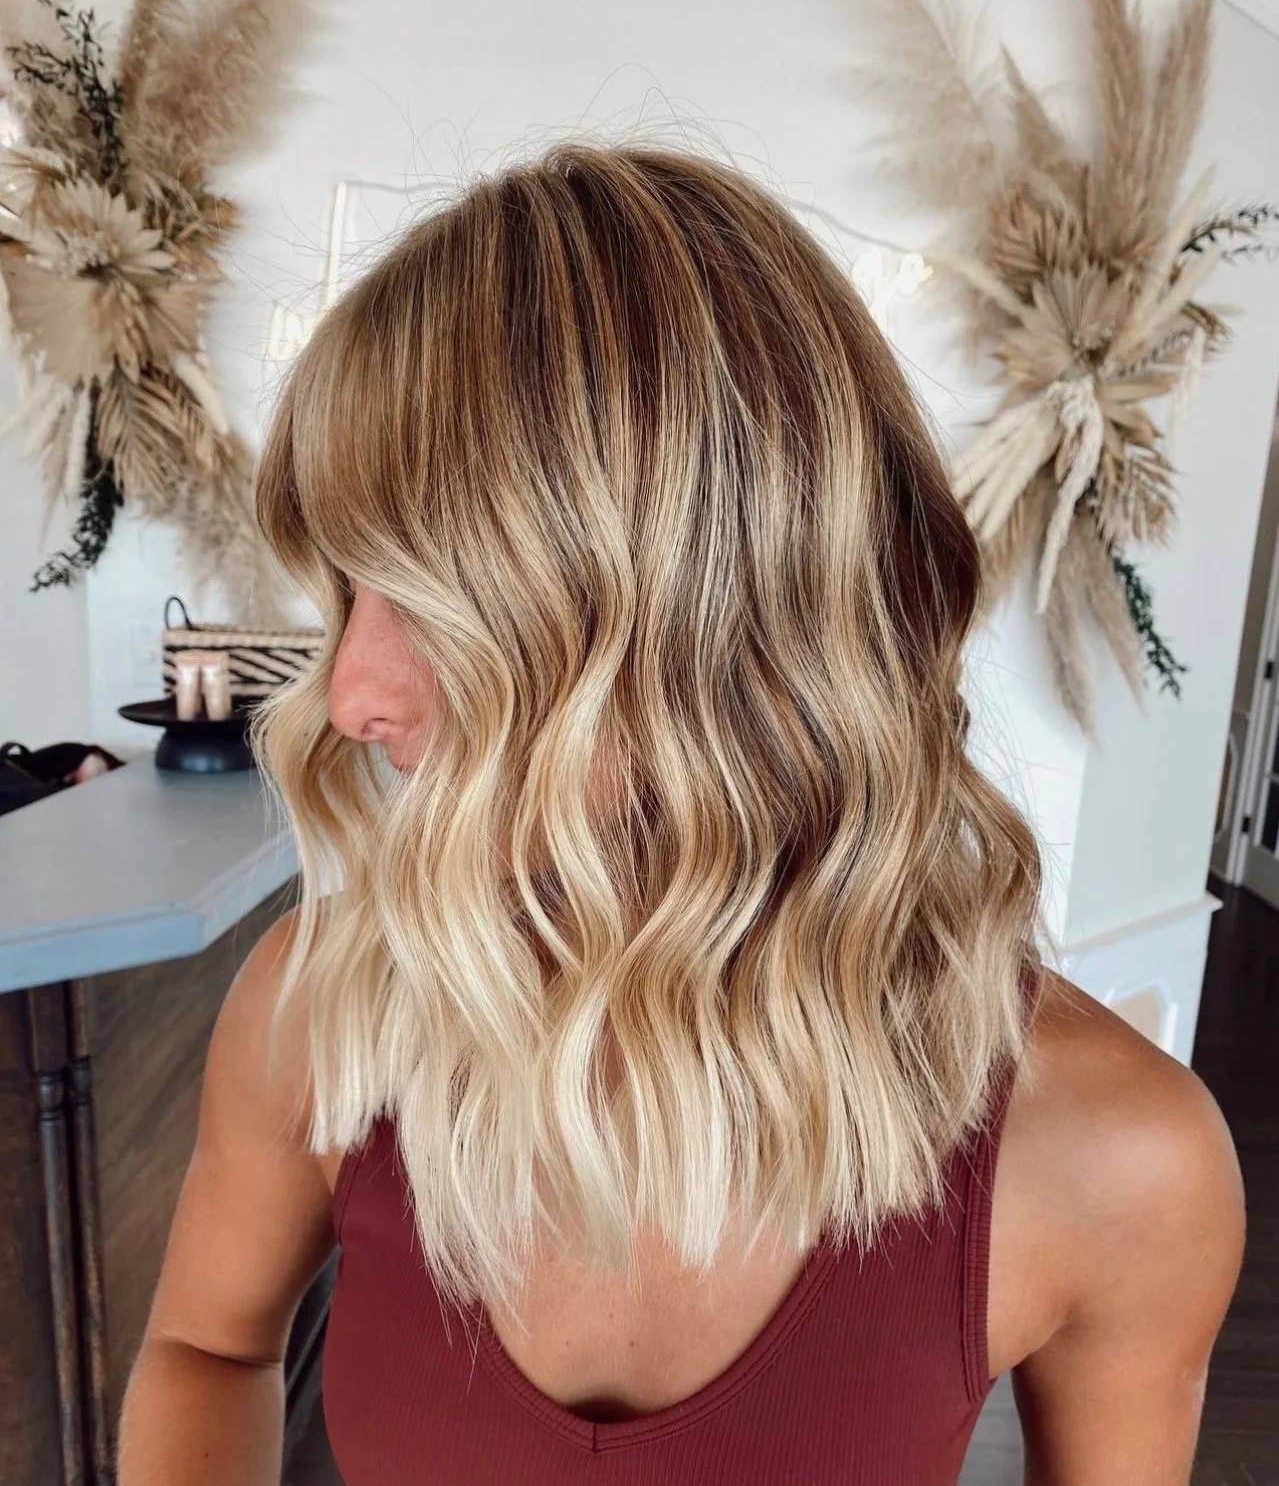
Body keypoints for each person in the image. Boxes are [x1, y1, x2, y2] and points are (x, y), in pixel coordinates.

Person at [116, 143, 1244, 1486]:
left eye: (435, 595)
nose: (349, 690)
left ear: (711, 618)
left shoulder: (1113, 1157)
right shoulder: (324, 1014)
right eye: (348, 587)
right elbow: (206, 1346)